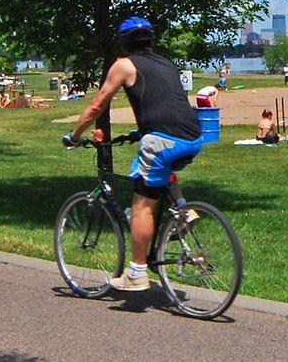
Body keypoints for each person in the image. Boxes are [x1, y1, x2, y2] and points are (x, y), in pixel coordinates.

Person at [62, 16, 204, 292]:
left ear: (125, 43)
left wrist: (75, 135)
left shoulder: (124, 65)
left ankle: (137, 273)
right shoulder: (166, 64)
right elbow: (165, 102)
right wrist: (140, 131)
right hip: (192, 134)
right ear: (151, 41)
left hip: (164, 138)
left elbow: (96, 106)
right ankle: (182, 209)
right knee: (153, 166)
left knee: (141, 206)